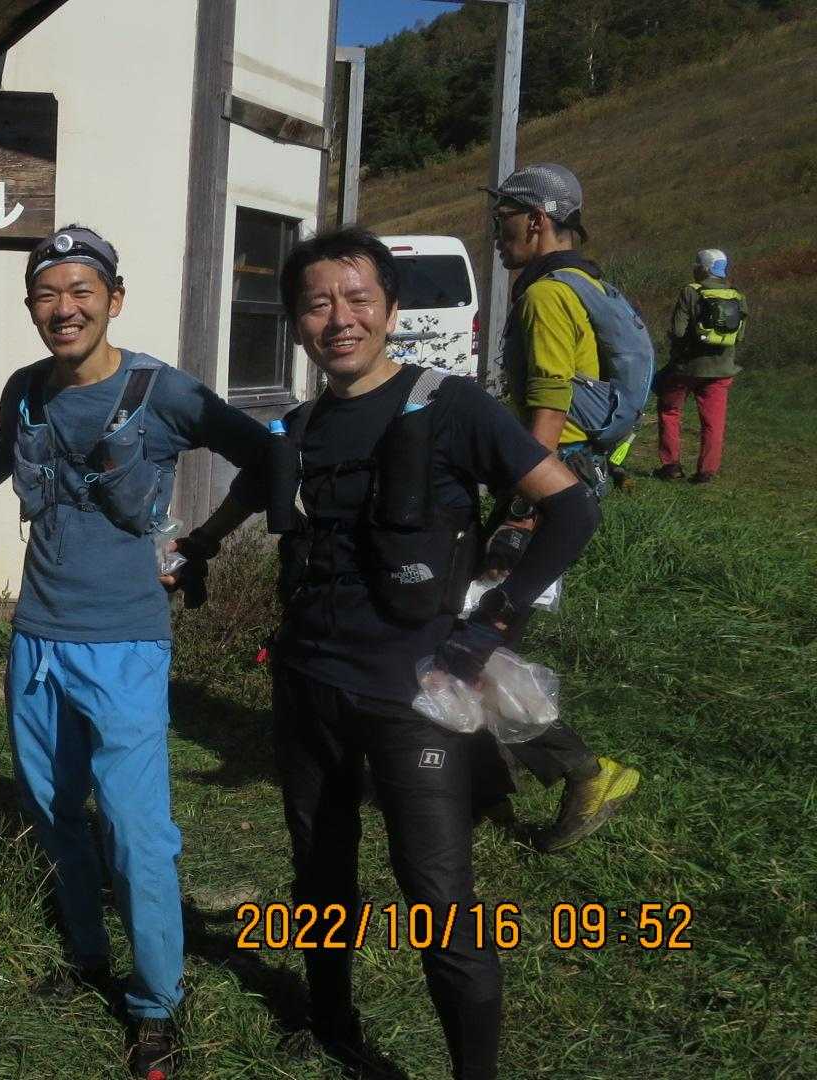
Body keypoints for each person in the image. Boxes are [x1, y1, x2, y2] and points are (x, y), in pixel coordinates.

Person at [0, 225, 269, 1079]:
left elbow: (267, 456)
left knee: (138, 833)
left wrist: (205, 542)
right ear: (30, 307)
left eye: (82, 291)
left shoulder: (162, 392)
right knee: (53, 812)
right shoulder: (28, 388)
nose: (64, 308)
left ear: (114, 299)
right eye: (47, 295)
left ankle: (155, 1004)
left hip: (124, 646)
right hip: (38, 639)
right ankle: (86, 955)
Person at [262, 227, 601, 1079]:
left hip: (416, 692)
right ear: (297, 322)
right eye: (317, 304)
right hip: (307, 685)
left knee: (440, 901)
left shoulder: (450, 406)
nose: (339, 319)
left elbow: (571, 509)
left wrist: (493, 623)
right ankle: (332, 1024)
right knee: (319, 872)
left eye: (358, 299)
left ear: (390, 310)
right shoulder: (300, 425)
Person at [483, 163, 642, 852]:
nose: (497, 234)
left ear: (537, 220)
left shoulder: (547, 295)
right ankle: (488, 774)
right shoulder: (588, 282)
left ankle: (586, 773)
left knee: (479, 642)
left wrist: (522, 505)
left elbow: (549, 404)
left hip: (546, 486)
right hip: (570, 478)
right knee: (486, 637)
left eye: (503, 220)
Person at [654, 248, 746, 483]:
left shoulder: (691, 291)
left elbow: (678, 331)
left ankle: (671, 466)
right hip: (722, 370)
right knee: (713, 423)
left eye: (696, 266)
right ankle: (706, 472)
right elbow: (740, 336)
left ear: (703, 268)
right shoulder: (737, 295)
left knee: (670, 411)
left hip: (687, 368)